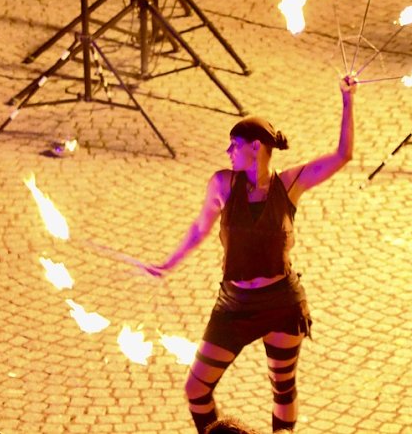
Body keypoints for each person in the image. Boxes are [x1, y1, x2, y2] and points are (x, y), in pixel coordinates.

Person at [138, 75, 356, 433]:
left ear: (255, 147)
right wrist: (167, 263)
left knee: (283, 389)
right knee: (196, 389)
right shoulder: (222, 184)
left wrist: (348, 100)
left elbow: (342, 155)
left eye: (233, 145)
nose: (227, 153)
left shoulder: (289, 185)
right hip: (234, 304)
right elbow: (199, 228)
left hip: (281, 303)